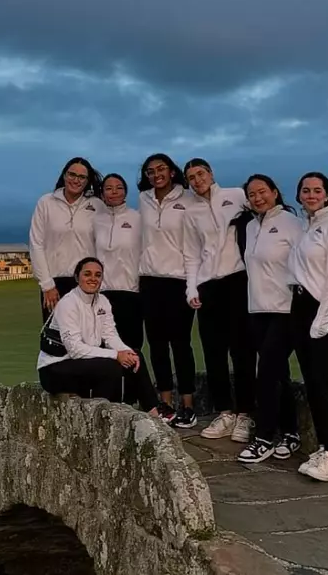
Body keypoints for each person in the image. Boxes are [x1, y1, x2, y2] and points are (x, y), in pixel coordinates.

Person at [182, 158, 256, 443]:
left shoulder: (236, 196)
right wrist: (192, 288)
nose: (197, 180)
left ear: (211, 174)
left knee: (243, 350)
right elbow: (191, 253)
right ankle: (225, 412)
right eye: (191, 177)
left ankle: (245, 413)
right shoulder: (191, 211)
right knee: (213, 351)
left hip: (238, 281)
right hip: (208, 285)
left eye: (200, 174)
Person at [288, 172, 328, 482]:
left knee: (323, 384)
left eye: (317, 190)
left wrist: (322, 322)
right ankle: (326, 448)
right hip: (300, 306)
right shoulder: (306, 225)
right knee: (312, 383)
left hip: (324, 309)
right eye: (305, 190)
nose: (311, 195)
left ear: (327, 194)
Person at [235, 174, 304, 463]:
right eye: (251, 194)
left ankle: (263, 438)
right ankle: (291, 433)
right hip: (258, 310)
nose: (257, 197)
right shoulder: (250, 227)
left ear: (275, 192)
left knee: (265, 374)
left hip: (285, 309)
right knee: (279, 375)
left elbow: (306, 261)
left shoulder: (292, 223)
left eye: (262, 191)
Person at [137, 153, 199, 428]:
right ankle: (165, 403)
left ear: (172, 171)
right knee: (157, 345)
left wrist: (193, 284)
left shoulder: (188, 198)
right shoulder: (143, 199)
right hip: (149, 280)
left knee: (181, 344)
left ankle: (188, 405)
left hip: (179, 280)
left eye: (161, 169)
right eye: (150, 171)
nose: (156, 174)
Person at [94, 173, 159, 415]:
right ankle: (112, 401)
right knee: (107, 349)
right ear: (102, 193)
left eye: (119, 187)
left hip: (131, 292)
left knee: (132, 348)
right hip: (103, 294)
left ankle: (135, 401)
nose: (114, 192)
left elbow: (147, 252)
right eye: (108, 188)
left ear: (125, 192)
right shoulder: (96, 220)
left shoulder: (137, 218)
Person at [36, 257, 141, 402]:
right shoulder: (68, 303)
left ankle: (153, 412)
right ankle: (104, 414)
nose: (93, 278)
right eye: (87, 274)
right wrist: (116, 355)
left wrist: (126, 352)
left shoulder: (103, 301)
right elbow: (75, 349)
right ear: (77, 277)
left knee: (135, 356)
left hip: (84, 362)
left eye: (98, 275)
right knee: (110, 366)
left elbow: (110, 335)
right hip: (55, 367)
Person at [29, 157, 104, 322]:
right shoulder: (46, 202)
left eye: (82, 177)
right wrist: (47, 285)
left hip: (87, 283)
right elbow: (36, 244)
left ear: (87, 181)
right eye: (72, 174)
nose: (76, 180)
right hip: (54, 284)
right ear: (64, 175)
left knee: (88, 342)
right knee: (56, 342)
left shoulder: (97, 205)